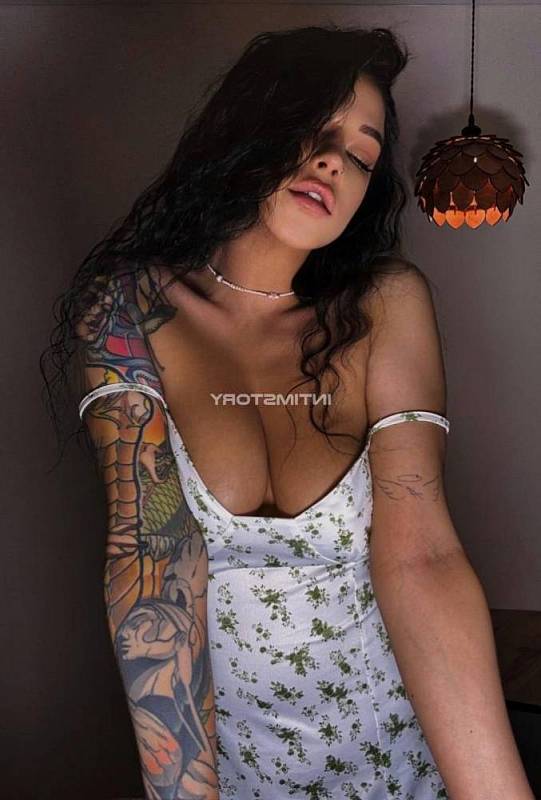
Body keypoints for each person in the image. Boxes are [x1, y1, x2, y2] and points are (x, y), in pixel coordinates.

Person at [42, 24, 534, 800]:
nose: (335, 161)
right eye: (314, 127)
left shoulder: (384, 304)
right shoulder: (126, 308)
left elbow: (422, 560)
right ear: (248, 125)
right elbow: (152, 561)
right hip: (238, 768)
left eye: (362, 154)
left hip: (399, 749)